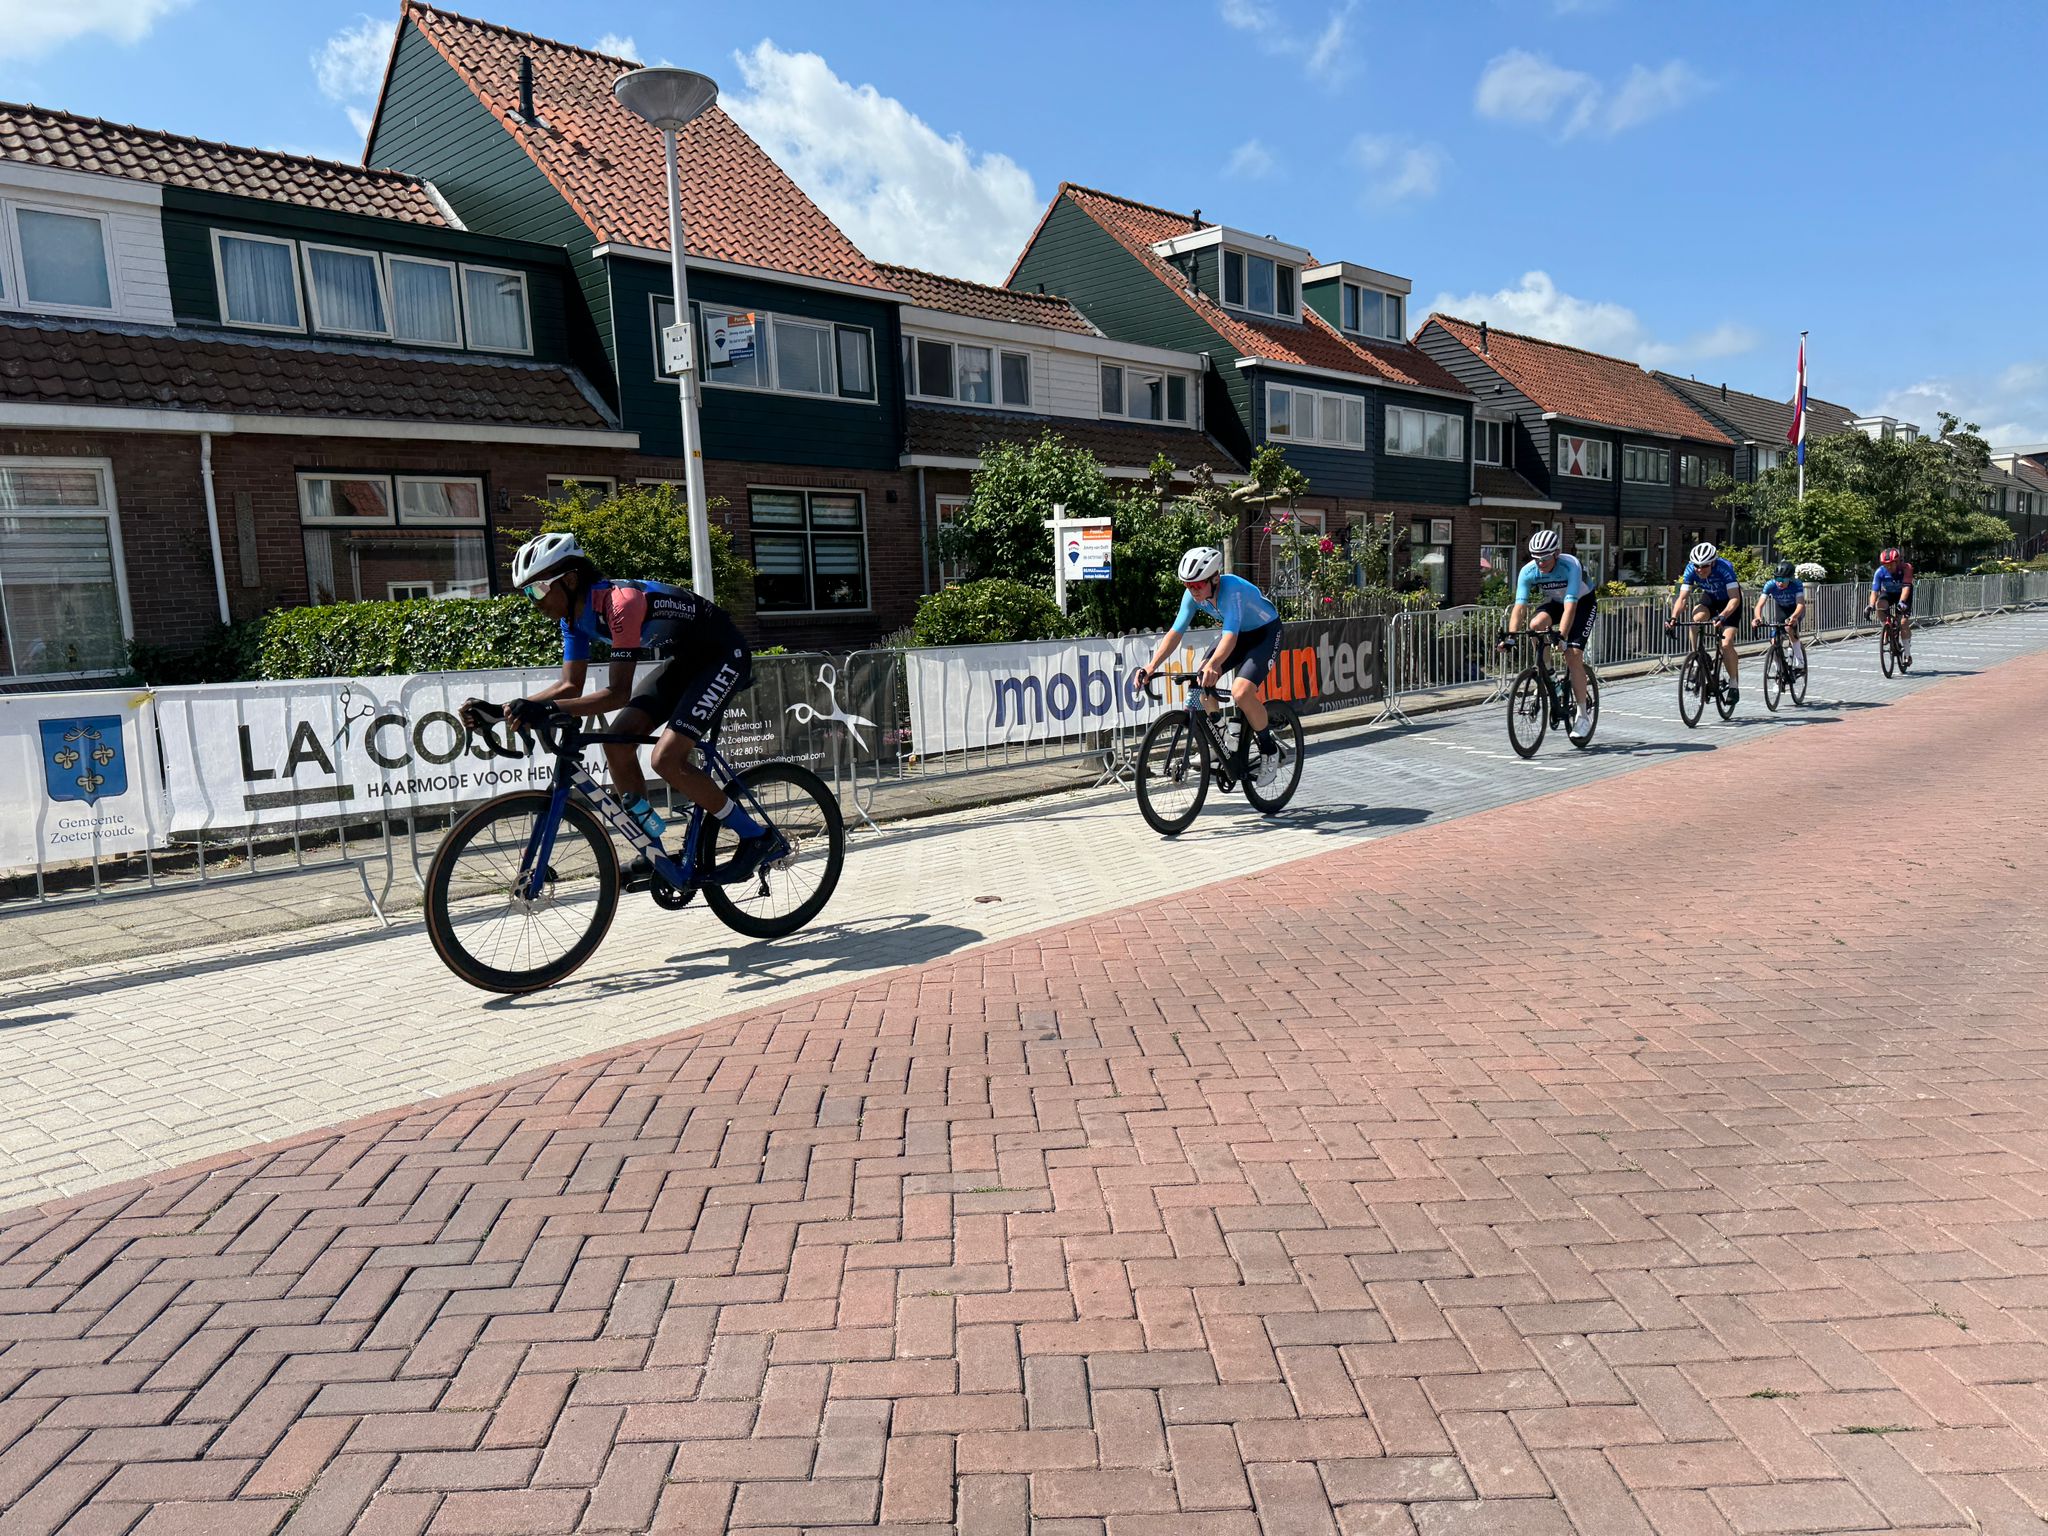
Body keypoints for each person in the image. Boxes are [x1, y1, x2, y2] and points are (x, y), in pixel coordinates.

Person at [506, 531, 776, 885]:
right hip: (687, 661)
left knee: (666, 758)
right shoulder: (572, 620)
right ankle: (653, 851)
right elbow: (568, 686)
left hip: (724, 656)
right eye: (527, 593)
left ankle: (757, 837)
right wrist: (505, 710)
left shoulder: (621, 603)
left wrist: (549, 709)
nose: (533, 601)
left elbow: (618, 693)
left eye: (537, 590)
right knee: (616, 742)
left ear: (570, 580)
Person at [1132, 547, 1284, 785]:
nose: (1193, 591)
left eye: (1198, 585)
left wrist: (1213, 663)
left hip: (1264, 633)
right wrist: (1151, 666)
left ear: (1214, 579)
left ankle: (1269, 749)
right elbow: (1175, 632)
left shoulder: (1231, 589)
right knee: (1198, 681)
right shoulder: (1193, 595)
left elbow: (1230, 637)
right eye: (1187, 585)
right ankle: (1222, 738)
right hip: (1239, 635)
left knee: (1241, 692)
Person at [1499, 528, 1596, 741]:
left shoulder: (1570, 565)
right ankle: (1549, 673)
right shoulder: (1528, 570)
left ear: (1556, 553)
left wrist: (1561, 636)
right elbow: (1519, 607)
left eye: (1544, 558)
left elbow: (1571, 607)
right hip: (1557, 603)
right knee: (1534, 625)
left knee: (1572, 655)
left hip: (1582, 604)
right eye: (1536, 559)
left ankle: (1582, 715)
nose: (1540, 563)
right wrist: (1511, 637)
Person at [1669, 540, 1743, 705]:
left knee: (1726, 644)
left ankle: (1733, 684)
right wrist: (1673, 618)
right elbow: (1682, 598)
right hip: (1710, 598)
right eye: (1697, 566)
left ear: (1713, 563)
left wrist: (1723, 616)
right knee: (1695, 620)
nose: (1699, 570)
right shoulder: (1691, 569)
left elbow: (1735, 598)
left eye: (1704, 566)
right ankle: (1697, 657)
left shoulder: (1725, 568)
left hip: (1730, 604)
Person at [1755, 560, 1807, 674]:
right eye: (1777, 579)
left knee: (1789, 628)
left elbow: (1800, 604)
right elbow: (1759, 605)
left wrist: (1793, 617)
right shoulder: (1770, 585)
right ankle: (1779, 671)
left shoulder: (1797, 584)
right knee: (1774, 641)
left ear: (1790, 578)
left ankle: (1800, 661)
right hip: (1781, 609)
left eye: (1783, 580)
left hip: (1795, 609)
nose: (1779, 583)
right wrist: (1757, 618)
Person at [1867, 547, 1915, 665]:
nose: (1888, 567)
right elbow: (1874, 591)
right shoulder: (1880, 571)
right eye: (1885, 565)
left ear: (1898, 562)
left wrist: (1901, 603)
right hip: (1888, 593)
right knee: (1880, 605)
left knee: (1903, 623)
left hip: (1904, 595)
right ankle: (1887, 629)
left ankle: (1907, 655)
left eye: (1891, 564)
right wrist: (1870, 605)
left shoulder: (1906, 568)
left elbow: (1906, 587)